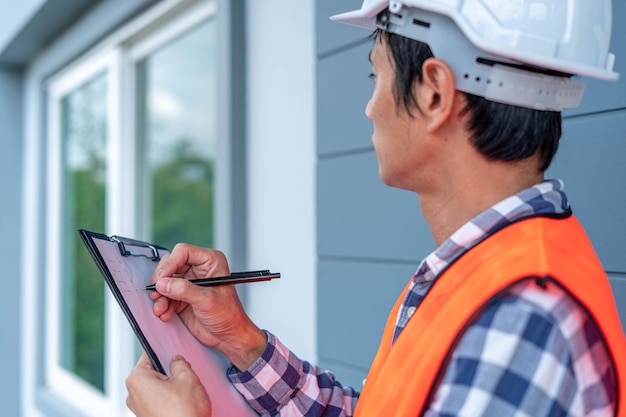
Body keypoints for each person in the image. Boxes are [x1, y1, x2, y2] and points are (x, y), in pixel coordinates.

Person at [126, 1, 626, 416]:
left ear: (434, 93)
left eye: (376, 74)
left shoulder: (519, 321)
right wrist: (242, 342)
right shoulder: (481, 274)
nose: (369, 106)